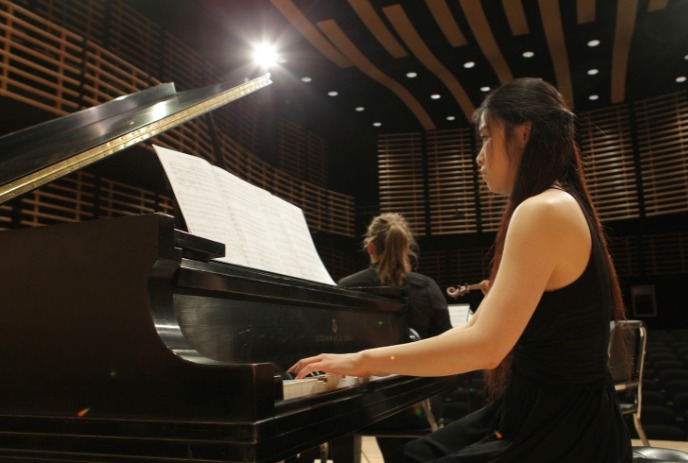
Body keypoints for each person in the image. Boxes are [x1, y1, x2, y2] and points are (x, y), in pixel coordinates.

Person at [290, 78, 632, 462]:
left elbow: (485, 347)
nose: (479, 157)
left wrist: (361, 360)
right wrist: (371, 362)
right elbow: (474, 329)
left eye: (486, 138)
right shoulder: (556, 203)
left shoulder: (543, 209)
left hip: (566, 431)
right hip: (541, 412)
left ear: (524, 133)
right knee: (411, 454)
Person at [338, 212, 452, 462]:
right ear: (406, 248)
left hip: (356, 407)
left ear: (370, 248)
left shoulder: (346, 288)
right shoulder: (427, 287)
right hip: (416, 408)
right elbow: (447, 352)